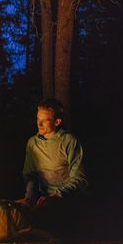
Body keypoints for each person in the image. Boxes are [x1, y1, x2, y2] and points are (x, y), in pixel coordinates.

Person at [17, 98, 87, 235]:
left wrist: (57, 195)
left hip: (64, 198)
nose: (39, 124)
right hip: (41, 198)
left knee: (48, 215)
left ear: (57, 122)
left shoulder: (69, 141)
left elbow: (79, 179)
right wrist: (30, 197)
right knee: (14, 210)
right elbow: (30, 175)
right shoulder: (33, 143)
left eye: (45, 120)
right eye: (38, 119)